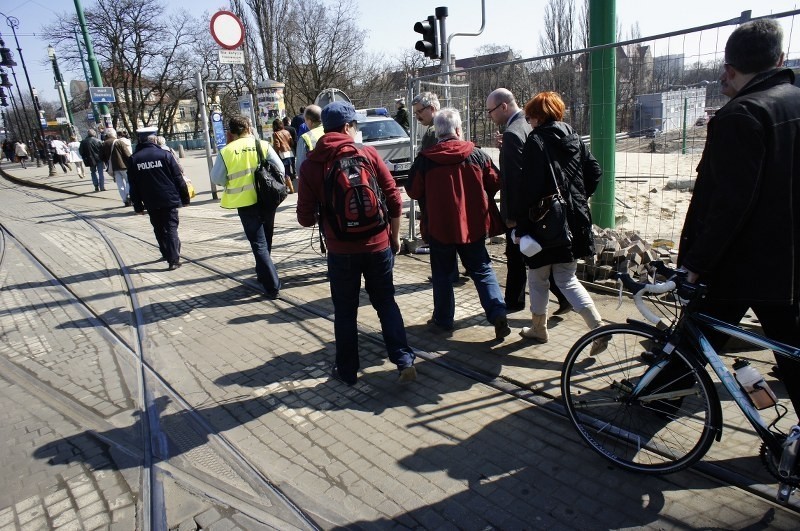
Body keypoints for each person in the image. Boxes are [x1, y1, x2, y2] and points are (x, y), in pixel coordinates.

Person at [677, 18, 800, 415]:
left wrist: (695, 265)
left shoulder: (741, 115)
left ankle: (654, 395)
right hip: (787, 259)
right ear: (779, 59)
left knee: (698, 332)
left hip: (743, 260)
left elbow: (730, 203)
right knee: (785, 347)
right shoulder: (794, 100)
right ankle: (657, 393)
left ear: (729, 69)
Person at [296, 101, 417, 385]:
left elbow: (304, 219)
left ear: (326, 128)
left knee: (346, 311)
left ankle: (348, 371)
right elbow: (394, 198)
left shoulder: (312, 164)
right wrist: (394, 236)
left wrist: (326, 212)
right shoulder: (368, 153)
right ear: (349, 127)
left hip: (341, 251)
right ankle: (403, 360)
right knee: (386, 302)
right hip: (378, 245)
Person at [407, 107, 511, 340]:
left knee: (442, 274)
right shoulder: (477, 154)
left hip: (439, 227)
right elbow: (495, 182)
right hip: (473, 226)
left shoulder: (425, 159)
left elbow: (413, 190)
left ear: (438, 131)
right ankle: (497, 312)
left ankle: (443, 321)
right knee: (483, 270)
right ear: (457, 129)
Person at [513, 91, 605, 348]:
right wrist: (577, 196)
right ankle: (598, 328)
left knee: (538, 277)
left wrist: (522, 226)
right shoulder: (574, 137)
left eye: (530, 116)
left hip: (544, 222)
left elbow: (528, 189)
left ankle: (538, 328)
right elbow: (595, 171)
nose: (529, 121)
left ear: (539, 117)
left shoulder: (536, 140)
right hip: (574, 220)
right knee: (566, 278)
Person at [487, 88, 573, 316]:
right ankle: (556, 297)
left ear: (503, 106)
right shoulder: (528, 125)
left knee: (520, 256)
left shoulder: (514, 133)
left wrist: (513, 217)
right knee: (533, 255)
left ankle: (519, 302)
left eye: (491, 111)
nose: (490, 116)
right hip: (542, 206)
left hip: (522, 210)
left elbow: (515, 180)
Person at [210, 115, 285, 299]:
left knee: (258, 243)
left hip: (244, 202)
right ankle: (263, 273)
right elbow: (281, 169)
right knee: (266, 239)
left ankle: (271, 285)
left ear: (232, 132)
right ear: (249, 127)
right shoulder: (262, 145)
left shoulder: (226, 152)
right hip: (267, 199)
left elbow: (216, 178)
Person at [128, 128, 190, 270]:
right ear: (154, 139)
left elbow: (133, 185)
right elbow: (178, 178)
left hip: (150, 201)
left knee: (158, 228)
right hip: (169, 199)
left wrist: (137, 206)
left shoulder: (134, 159)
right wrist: (185, 198)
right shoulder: (165, 155)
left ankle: (166, 253)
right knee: (171, 228)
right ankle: (173, 259)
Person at [102, 128, 132, 206]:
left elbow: (102, 157)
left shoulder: (104, 143)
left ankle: (125, 200)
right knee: (129, 181)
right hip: (124, 165)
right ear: (114, 134)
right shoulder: (119, 142)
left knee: (120, 184)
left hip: (113, 167)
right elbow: (127, 154)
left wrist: (108, 163)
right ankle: (128, 194)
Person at [295, 104, 323, 171]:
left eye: (305, 120)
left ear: (309, 121)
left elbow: (300, 167)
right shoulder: (332, 131)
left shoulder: (305, 138)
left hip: (315, 177)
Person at [271, 118, 296, 193]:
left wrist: (275, 153)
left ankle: (290, 188)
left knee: (283, 171)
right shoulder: (287, 132)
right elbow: (291, 142)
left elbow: (277, 145)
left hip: (281, 154)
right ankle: (290, 187)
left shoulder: (275, 134)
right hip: (289, 152)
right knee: (287, 170)